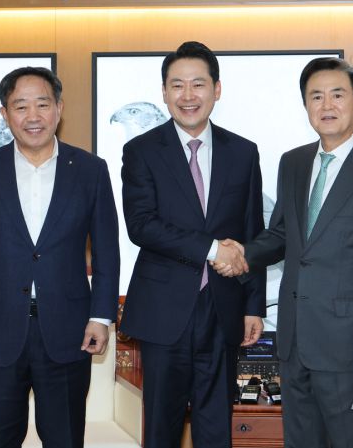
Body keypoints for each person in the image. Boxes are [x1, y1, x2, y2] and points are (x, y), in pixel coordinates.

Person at [215, 57, 353, 448]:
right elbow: (281, 234)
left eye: (338, 95)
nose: (326, 105)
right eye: (316, 96)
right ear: (306, 105)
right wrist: (242, 252)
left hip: (351, 345)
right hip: (295, 339)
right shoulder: (294, 163)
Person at [0, 66, 119, 448]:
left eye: (42, 104)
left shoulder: (90, 170)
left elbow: (108, 251)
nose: (33, 116)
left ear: (59, 108)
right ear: (4, 113)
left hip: (70, 332)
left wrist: (101, 317)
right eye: (20, 106)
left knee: (65, 439)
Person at [119, 41, 266, 448]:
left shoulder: (243, 152)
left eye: (198, 84)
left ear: (216, 89)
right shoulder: (141, 151)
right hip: (163, 312)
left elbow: (252, 231)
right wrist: (212, 249)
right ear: (164, 92)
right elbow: (142, 225)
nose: (188, 95)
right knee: (160, 429)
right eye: (177, 85)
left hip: (223, 308)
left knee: (216, 427)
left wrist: (254, 305)